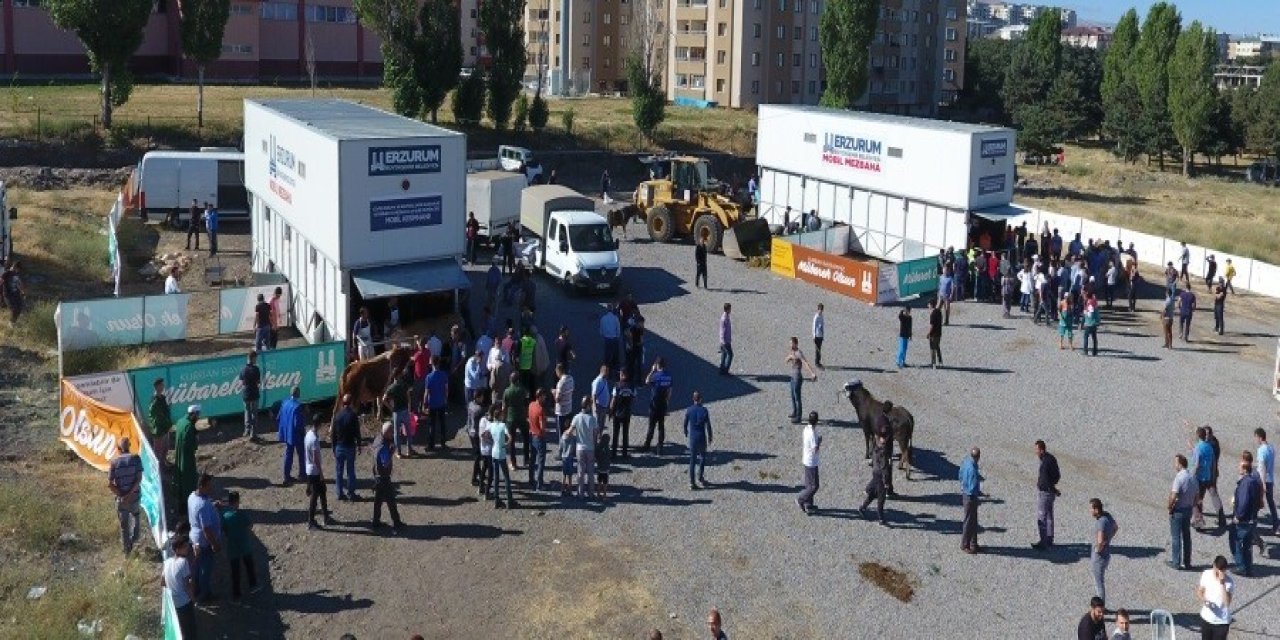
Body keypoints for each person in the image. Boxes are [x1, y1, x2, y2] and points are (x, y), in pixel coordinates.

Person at [187, 472, 222, 602]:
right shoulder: (202, 505)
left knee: (197, 566)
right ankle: (205, 595)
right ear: (201, 486)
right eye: (209, 486)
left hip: (194, 539)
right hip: (204, 542)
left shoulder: (192, 496)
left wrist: (212, 505)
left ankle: (196, 590)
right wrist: (214, 544)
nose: (211, 488)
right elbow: (206, 529)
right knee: (205, 570)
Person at [220, 491, 260, 600]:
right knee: (249, 566)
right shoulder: (242, 514)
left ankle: (236, 594)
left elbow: (224, 530)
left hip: (232, 547)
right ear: (237, 501)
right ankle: (253, 585)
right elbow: (250, 526)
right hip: (244, 545)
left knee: (235, 571)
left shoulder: (225, 515)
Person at [108, 438, 142, 554]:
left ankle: (126, 551)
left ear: (119, 448)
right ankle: (133, 541)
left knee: (124, 527)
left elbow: (110, 484)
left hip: (121, 500)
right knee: (136, 518)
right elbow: (138, 479)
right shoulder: (136, 459)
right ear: (130, 445)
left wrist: (122, 495)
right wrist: (130, 494)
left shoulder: (114, 462)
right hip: (134, 497)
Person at [1230, 457, 1262, 577]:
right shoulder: (1254, 481)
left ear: (1244, 469)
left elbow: (1243, 502)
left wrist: (1238, 516)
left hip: (1243, 520)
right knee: (1248, 545)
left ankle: (1241, 566)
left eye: (1240, 466)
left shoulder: (1245, 483)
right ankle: (1248, 568)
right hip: (1252, 518)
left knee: (1237, 541)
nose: (1238, 468)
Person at [371, 423, 405, 532]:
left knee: (378, 501)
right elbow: (385, 463)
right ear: (387, 433)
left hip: (377, 475)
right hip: (383, 478)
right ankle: (396, 522)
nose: (393, 434)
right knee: (391, 500)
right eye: (392, 432)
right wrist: (391, 452)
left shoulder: (378, 439)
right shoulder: (383, 447)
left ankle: (375, 521)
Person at [164, 534, 197, 639]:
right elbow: (188, 585)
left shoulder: (167, 562)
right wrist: (193, 599)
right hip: (184, 602)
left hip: (173, 602)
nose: (187, 548)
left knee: (181, 628)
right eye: (185, 547)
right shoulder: (183, 562)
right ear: (177, 549)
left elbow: (162, 582)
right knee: (190, 628)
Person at [1192, 426, 1225, 530]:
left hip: (1202, 477)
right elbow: (1214, 462)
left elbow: (1197, 464)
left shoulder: (1202, 446)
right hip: (1210, 475)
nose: (1206, 436)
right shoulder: (1211, 446)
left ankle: (1198, 520)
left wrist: (1192, 475)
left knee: (1198, 498)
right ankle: (1222, 519)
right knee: (1213, 495)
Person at [331, 393, 362, 501]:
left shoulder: (337, 416)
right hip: (350, 446)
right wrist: (359, 444)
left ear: (342, 403)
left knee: (339, 471)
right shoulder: (353, 415)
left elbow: (333, 434)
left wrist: (333, 447)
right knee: (351, 471)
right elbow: (357, 432)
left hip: (339, 446)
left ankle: (339, 493)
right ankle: (351, 493)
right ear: (351, 403)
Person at [1031, 440, 1061, 550]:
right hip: (1050, 493)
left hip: (1045, 492)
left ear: (1041, 450)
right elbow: (1057, 475)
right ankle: (1049, 539)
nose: (1036, 452)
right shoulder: (1051, 459)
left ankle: (1043, 542)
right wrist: (1054, 489)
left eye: (1037, 450)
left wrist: (1052, 488)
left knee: (1042, 517)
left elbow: (1045, 479)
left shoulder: (1045, 462)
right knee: (1049, 516)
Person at [567, 397, 599, 499]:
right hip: (590, 448)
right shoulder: (592, 419)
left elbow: (569, 432)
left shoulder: (576, 417)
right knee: (590, 472)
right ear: (588, 406)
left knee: (580, 471)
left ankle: (580, 493)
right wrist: (595, 444)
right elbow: (596, 434)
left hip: (580, 448)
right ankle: (591, 493)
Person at [1089, 498, 1119, 605]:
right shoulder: (1107, 515)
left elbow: (1100, 541)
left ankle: (1100, 607)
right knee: (1100, 581)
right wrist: (1109, 538)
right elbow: (1116, 527)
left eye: (1091, 508)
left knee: (1099, 583)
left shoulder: (1100, 523)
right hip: (1106, 554)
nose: (1089, 511)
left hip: (1099, 557)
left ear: (1096, 510)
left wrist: (1097, 549)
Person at [1198, 556, 1234, 640]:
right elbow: (1200, 591)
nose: (1217, 573)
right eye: (1216, 570)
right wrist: (1204, 600)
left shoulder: (1229, 582)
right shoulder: (1206, 574)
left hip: (1221, 622)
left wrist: (1222, 583)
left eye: (1221, 570)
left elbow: (1227, 603)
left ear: (1224, 570)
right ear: (1213, 565)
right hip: (1206, 618)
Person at [304, 416, 331, 529]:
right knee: (315, 496)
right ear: (319, 424)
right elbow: (316, 458)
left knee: (322, 491)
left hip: (309, 469)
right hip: (314, 471)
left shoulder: (308, 434)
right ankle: (311, 521)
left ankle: (326, 516)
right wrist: (321, 474)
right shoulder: (314, 439)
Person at [381, 367, 415, 458]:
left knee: (396, 433)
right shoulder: (404, 385)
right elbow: (408, 396)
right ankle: (409, 450)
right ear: (399, 375)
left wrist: (390, 408)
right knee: (408, 431)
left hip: (396, 412)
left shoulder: (391, 388)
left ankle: (399, 452)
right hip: (405, 410)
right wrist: (409, 408)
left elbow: (383, 399)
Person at [277, 386, 307, 485]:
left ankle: (286, 476)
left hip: (287, 433)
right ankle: (302, 474)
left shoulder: (284, 403)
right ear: (298, 394)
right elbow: (298, 424)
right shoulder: (297, 407)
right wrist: (303, 433)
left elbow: (278, 417)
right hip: (296, 435)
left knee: (288, 454)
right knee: (301, 454)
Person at [684, 391, 713, 490]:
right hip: (701, 437)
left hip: (693, 438)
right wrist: (710, 436)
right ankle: (700, 476)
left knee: (692, 460)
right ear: (701, 399)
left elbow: (685, 423)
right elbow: (708, 426)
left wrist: (685, 432)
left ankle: (692, 483)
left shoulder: (689, 410)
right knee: (702, 457)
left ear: (693, 399)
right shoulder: (704, 410)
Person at [488, 403, 516, 508]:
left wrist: (492, 441)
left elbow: (485, 435)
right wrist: (506, 444)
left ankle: (497, 500)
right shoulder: (503, 425)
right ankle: (510, 500)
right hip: (501, 453)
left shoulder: (491, 425)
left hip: (494, 453)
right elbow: (510, 437)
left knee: (496, 478)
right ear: (499, 416)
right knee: (506, 478)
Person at [785, 337, 818, 424]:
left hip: (797, 378)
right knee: (793, 396)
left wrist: (812, 373)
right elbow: (785, 361)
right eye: (790, 343)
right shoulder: (792, 352)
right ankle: (795, 412)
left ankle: (799, 417)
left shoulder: (799, 353)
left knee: (797, 398)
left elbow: (805, 363)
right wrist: (790, 357)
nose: (790, 345)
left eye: (792, 343)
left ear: (796, 344)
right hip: (792, 377)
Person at [173, 405, 202, 505]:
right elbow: (191, 444)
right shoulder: (189, 426)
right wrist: (196, 440)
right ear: (193, 414)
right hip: (187, 457)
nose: (198, 417)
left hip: (179, 453)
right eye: (197, 415)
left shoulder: (181, 421)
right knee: (188, 478)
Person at [643, 357, 673, 453]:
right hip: (663, 404)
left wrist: (652, 371)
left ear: (657, 365)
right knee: (661, 426)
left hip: (654, 404)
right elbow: (669, 391)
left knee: (651, 426)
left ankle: (647, 445)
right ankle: (660, 447)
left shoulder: (655, 376)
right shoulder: (668, 376)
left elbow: (646, 381)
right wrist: (667, 402)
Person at [796, 411, 822, 514]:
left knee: (809, 484)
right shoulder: (812, 433)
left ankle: (808, 504)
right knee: (814, 486)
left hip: (806, 459)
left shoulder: (806, 429)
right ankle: (801, 499)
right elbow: (815, 449)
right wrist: (819, 441)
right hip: (812, 462)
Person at [423, 356, 449, 450]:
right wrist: (445, 399)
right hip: (441, 402)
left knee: (432, 424)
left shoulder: (428, 377)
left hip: (432, 403)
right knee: (442, 423)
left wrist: (424, 404)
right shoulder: (444, 375)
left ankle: (431, 445)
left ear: (431, 364)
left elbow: (426, 392)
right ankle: (443, 443)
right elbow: (446, 389)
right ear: (438, 363)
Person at [959, 447, 982, 554]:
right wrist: (977, 492)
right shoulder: (973, 469)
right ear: (978, 457)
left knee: (971, 520)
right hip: (971, 496)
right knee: (969, 521)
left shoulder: (966, 462)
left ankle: (973, 544)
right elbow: (973, 486)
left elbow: (960, 475)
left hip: (965, 494)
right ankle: (965, 544)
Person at [147, 378, 173, 470]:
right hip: (158, 429)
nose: (163, 386)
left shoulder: (162, 397)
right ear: (156, 387)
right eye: (161, 385)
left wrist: (168, 424)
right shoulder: (154, 400)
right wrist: (167, 424)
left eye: (163, 385)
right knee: (158, 450)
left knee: (166, 447)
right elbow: (157, 416)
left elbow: (165, 412)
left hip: (165, 427)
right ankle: (157, 468)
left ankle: (163, 462)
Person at [610, 370, 635, 458]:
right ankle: (624, 453)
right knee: (625, 433)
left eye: (620, 374)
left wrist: (611, 411)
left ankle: (614, 453)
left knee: (615, 434)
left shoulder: (617, 386)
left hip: (617, 413)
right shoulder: (631, 386)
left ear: (623, 375)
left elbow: (613, 400)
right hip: (627, 413)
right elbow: (633, 398)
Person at [1258, 428, 1278, 535]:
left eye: (1256, 437)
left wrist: (1262, 483)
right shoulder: (1271, 448)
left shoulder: (1261, 450)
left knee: (1257, 502)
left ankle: (1251, 525)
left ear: (1260, 437)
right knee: (1271, 503)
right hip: (1270, 479)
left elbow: (1262, 467)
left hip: (1263, 480)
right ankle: (1276, 525)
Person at [528, 389, 548, 490]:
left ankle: (531, 480)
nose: (545, 397)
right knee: (541, 461)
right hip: (539, 437)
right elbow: (542, 427)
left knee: (532, 459)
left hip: (532, 435)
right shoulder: (541, 410)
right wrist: (545, 429)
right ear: (539, 396)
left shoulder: (531, 405)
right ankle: (540, 484)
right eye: (544, 396)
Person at [238, 351, 261, 440]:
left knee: (247, 412)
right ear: (253, 358)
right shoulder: (256, 369)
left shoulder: (243, 369)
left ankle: (247, 430)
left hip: (246, 394)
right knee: (254, 413)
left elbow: (241, 383)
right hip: (254, 394)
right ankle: (253, 433)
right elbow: (258, 382)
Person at [553, 363, 575, 434]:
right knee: (567, 431)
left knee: (561, 432)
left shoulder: (560, 383)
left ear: (559, 371)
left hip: (561, 411)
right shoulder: (571, 379)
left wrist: (554, 393)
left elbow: (557, 400)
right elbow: (571, 390)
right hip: (569, 408)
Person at [600, 303, 622, 374]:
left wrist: (603, 335)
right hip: (614, 338)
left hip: (607, 338)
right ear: (612, 309)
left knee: (607, 354)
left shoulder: (603, 318)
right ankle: (616, 368)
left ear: (607, 309)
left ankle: (607, 369)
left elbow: (601, 329)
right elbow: (618, 328)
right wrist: (618, 335)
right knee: (615, 354)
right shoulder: (615, 318)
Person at [926, 298, 943, 369]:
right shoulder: (939, 312)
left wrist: (928, 333)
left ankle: (933, 364)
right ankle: (940, 361)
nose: (928, 306)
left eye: (928, 304)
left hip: (933, 334)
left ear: (931, 305)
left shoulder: (932, 314)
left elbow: (932, 326)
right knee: (937, 347)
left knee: (932, 349)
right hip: (939, 333)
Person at [596, 433, 612, 500]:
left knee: (599, 482)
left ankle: (598, 494)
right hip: (606, 469)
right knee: (605, 483)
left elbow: (596, 456)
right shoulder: (607, 449)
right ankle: (604, 495)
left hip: (600, 468)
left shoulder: (598, 447)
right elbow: (609, 457)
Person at [718, 303, 733, 375]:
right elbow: (723, 331)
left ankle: (721, 370)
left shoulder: (725, 316)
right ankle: (726, 371)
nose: (731, 310)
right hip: (725, 341)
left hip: (724, 341)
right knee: (730, 355)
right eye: (730, 309)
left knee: (724, 354)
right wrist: (724, 341)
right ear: (727, 309)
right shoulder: (725, 319)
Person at [812, 303, 825, 368]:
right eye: (820, 309)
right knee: (817, 349)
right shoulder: (816, 316)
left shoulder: (821, 316)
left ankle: (818, 361)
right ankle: (817, 362)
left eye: (822, 310)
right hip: (817, 335)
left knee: (819, 349)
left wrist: (823, 335)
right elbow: (814, 326)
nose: (821, 311)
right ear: (818, 309)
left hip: (820, 335)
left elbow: (822, 325)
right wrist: (814, 336)